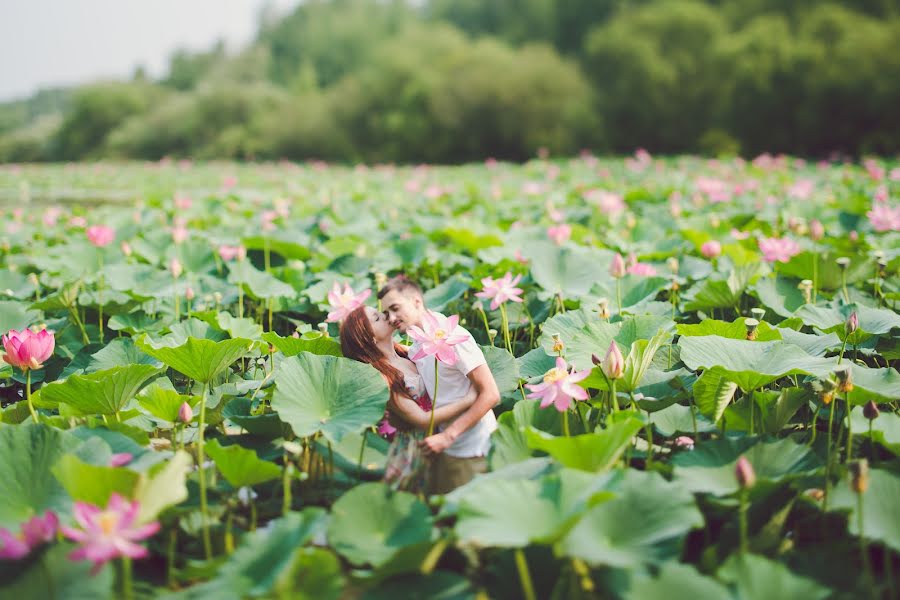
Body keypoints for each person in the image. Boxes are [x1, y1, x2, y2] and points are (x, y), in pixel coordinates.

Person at [379, 275, 500, 495]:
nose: (392, 318)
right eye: (386, 313)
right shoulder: (416, 347)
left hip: (472, 445)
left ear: (416, 301)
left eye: (396, 308)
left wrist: (448, 436)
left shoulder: (455, 335)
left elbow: (491, 394)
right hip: (442, 447)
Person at [339, 305, 477, 492]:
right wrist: (472, 397)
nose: (386, 316)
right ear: (369, 337)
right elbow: (422, 420)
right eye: (377, 318)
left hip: (444, 438)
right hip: (416, 450)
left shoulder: (407, 352)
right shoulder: (380, 376)